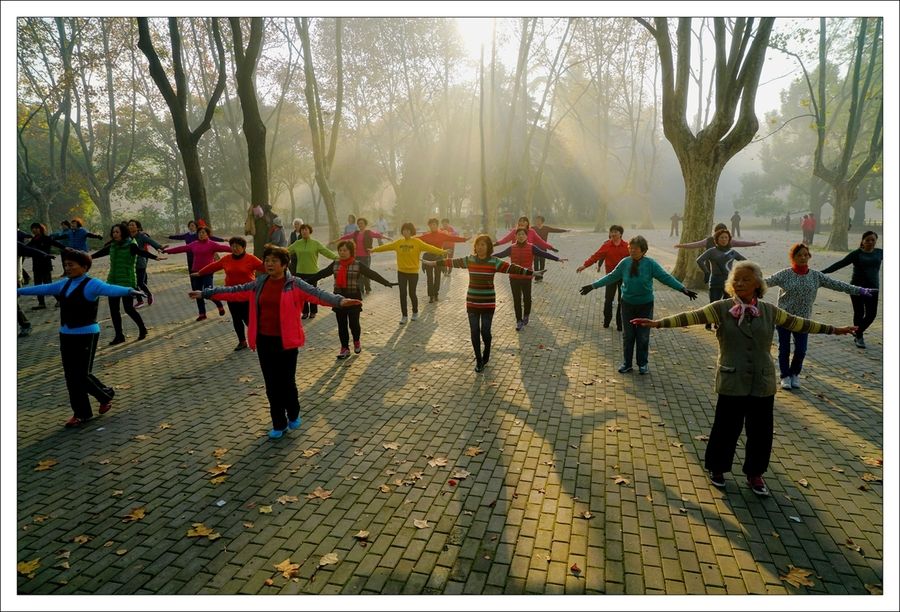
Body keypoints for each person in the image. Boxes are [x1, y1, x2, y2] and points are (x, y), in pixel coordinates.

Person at [630, 261, 856, 495]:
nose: (739, 283)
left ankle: (755, 474)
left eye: (745, 279)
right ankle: (718, 468)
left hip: (762, 381)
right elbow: (691, 317)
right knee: (726, 428)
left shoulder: (769, 311)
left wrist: (835, 330)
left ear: (758, 283)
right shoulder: (721, 307)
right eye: (736, 279)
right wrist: (658, 323)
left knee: (761, 432)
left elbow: (801, 324)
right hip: (732, 378)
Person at [191, 245, 360, 439]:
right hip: (264, 340)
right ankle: (278, 424)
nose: (269, 264)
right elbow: (235, 291)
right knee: (271, 385)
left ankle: (293, 412)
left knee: (287, 383)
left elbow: (318, 294)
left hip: (287, 342)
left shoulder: (295, 284)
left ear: (284, 264)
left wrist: (339, 301)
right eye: (267, 260)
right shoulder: (259, 283)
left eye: (274, 261)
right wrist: (206, 293)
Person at [17, 249, 146, 427]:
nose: (67, 268)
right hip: (66, 335)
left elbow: (110, 289)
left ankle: (104, 396)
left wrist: (130, 291)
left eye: (71, 265)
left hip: (86, 334)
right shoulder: (64, 284)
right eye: (66, 265)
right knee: (72, 377)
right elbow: (44, 288)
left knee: (80, 375)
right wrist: (18, 291)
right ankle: (83, 413)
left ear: (84, 267)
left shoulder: (92, 284)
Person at [579, 235, 698, 375]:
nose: (632, 251)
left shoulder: (650, 264)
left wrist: (682, 289)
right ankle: (627, 363)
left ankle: (643, 364)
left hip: (645, 305)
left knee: (642, 336)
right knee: (628, 336)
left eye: (636, 249)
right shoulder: (625, 263)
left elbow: (665, 277)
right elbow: (611, 276)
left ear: (644, 250)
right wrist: (593, 286)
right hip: (627, 304)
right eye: (631, 248)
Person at [765, 243, 874, 389]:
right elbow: (765, 282)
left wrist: (859, 290)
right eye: (799, 255)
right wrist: (746, 281)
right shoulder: (784, 274)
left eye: (805, 255)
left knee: (801, 350)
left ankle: (795, 374)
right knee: (784, 349)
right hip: (785, 318)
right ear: (793, 257)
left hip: (804, 321)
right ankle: (785, 376)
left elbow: (837, 284)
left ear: (809, 256)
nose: (803, 258)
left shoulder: (816, 276)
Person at [425, 235, 535, 372]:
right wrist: (433, 263)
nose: (480, 247)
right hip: (472, 302)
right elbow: (452, 262)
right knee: (474, 331)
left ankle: (487, 352)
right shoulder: (470, 260)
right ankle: (478, 360)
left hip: (488, 303)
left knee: (485, 332)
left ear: (488, 247)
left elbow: (512, 268)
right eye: (478, 244)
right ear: (475, 247)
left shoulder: (494, 262)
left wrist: (531, 272)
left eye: (483, 245)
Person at [308, 239, 397, 358]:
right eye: (340, 250)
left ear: (351, 251)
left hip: (354, 297)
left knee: (354, 324)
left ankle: (356, 341)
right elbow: (322, 273)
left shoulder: (357, 264)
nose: (342, 252)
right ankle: (344, 348)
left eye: (345, 250)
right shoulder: (335, 264)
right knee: (342, 324)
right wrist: (305, 282)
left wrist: (386, 283)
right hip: (338, 298)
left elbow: (372, 274)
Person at [91, 222, 164, 344]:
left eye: (117, 232)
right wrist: (89, 257)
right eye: (113, 232)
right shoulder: (112, 245)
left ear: (123, 233)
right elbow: (101, 253)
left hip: (127, 281)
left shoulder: (131, 244)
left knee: (128, 308)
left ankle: (142, 329)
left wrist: (154, 257)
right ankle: (119, 336)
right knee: (114, 310)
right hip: (112, 281)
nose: (115, 234)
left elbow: (141, 252)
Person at [192, 236, 265, 351]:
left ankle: (258, 339)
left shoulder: (251, 259)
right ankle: (242, 341)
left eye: (237, 246)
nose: (234, 248)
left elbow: (265, 268)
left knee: (248, 319)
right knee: (236, 319)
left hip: (246, 294)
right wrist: (200, 273)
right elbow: (213, 266)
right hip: (230, 294)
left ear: (244, 247)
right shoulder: (226, 259)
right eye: (232, 246)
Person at [371, 222, 447, 324]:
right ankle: (404, 316)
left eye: (408, 230)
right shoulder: (398, 243)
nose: (405, 232)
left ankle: (415, 312)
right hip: (401, 272)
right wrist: (373, 250)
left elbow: (430, 248)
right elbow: (386, 247)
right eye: (404, 230)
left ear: (411, 231)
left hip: (413, 273)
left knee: (412, 293)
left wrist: (443, 252)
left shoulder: (417, 242)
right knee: (402, 294)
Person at [494, 228, 565, 330]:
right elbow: (500, 255)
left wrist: (557, 259)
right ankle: (519, 321)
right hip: (514, 278)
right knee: (516, 299)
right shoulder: (511, 248)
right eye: (519, 234)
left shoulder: (532, 247)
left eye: (523, 234)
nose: (521, 236)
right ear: (515, 236)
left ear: (526, 236)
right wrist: (485, 258)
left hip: (527, 277)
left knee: (527, 298)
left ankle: (526, 315)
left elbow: (544, 254)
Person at [821, 231, 882, 349]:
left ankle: (857, 332)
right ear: (862, 241)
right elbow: (839, 264)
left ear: (876, 241)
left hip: (873, 288)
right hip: (856, 288)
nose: (870, 242)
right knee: (859, 313)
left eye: (873, 240)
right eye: (868, 240)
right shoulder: (856, 254)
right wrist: (821, 273)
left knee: (871, 315)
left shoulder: (880, 253)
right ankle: (859, 337)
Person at [163, 226, 231, 321]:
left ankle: (219, 304)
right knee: (197, 292)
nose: (201, 235)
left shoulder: (212, 244)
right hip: (196, 272)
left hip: (208, 271)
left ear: (208, 234)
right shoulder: (194, 244)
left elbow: (224, 248)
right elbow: (182, 248)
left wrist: (237, 250)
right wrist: (167, 251)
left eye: (203, 233)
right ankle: (202, 314)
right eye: (199, 233)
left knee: (208, 291)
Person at [576, 225, 629, 330]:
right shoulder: (607, 245)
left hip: (624, 277)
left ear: (620, 234)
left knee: (622, 301)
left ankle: (620, 324)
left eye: (616, 232)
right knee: (608, 299)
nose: (613, 234)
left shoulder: (627, 246)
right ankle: (607, 321)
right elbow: (596, 256)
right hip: (610, 277)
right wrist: (585, 265)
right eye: (611, 232)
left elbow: (634, 258)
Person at [696, 228, 746, 329]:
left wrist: (737, 273)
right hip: (715, 281)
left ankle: (719, 322)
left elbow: (744, 261)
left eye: (726, 237)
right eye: (721, 237)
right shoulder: (712, 251)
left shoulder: (732, 252)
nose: (724, 239)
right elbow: (699, 260)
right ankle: (709, 321)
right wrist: (706, 272)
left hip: (729, 283)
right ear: (717, 239)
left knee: (727, 304)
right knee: (714, 303)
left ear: (729, 239)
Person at [286, 223, 338, 319]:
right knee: (302, 293)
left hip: (313, 273)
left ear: (310, 231)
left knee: (313, 293)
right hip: (300, 272)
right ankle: (305, 312)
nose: (304, 231)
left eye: (306, 230)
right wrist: (274, 252)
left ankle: (313, 311)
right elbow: (286, 251)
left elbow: (326, 252)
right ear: (300, 232)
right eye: (302, 230)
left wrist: (337, 258)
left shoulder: (315, 243)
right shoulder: (297, 243)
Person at [417, 218, 468, 302]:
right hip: (429, 258)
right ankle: (431, 296)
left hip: (438, 258)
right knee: (429, 278)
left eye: (434, 224)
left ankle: (436, 294)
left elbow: (453, 238)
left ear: (437, 225)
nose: (433, 226)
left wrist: (464, 239)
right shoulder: (426, 236)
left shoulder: (441, 235)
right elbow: (416, 239)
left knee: (437, 276)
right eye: (431, 225)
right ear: (429, 226)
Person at [332, 217, 387, 294]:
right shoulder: (356, 233)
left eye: (361, 223)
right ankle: (360, 289)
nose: (360, 225)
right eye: (359, 224)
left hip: (366, 256)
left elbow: (377, 235)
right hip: (357, 256)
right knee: (358, 273)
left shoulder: (368, 232)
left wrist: (387, 237)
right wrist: (337, 240)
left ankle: (368, 288)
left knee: (366, 272)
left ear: (365, 224)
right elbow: (347, 236)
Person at [26, 223, 68, 309]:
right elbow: (26, 248)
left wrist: (66, 248)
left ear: (41, 229)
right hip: (36, 265)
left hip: (45, 264)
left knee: (48, 283)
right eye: (33, 228)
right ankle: (41, 303)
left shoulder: (46, 238)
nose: (34, 230)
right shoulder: (34, 239)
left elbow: (57, 244)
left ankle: (60, 300)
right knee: (37, 284)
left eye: (36, 228)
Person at [128, 219, 165, 308]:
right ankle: (140, 300)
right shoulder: (127, 236)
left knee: (140, 283)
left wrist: (159, 247)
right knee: (133, 283)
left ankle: (149, 294)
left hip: (141, 262)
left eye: (133, 225)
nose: (131, 226)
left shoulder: (142, 236)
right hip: (130, 263)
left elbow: (151, 242)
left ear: (138, 227)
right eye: (129, 225)